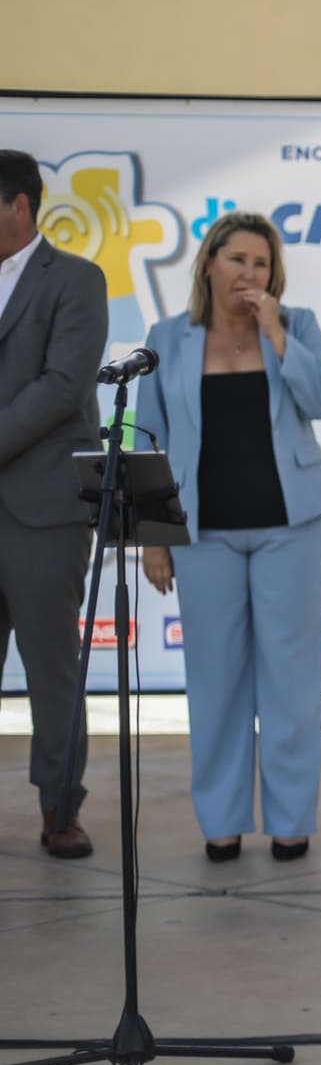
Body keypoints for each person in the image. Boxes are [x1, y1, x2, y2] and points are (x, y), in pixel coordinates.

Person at [135, 212, 321, 862]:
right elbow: (148, 439)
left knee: (291, 681)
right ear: (209, 265)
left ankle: (290, 821)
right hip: (205, 535)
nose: (250, 273)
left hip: (291, 529)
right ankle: (221, 822)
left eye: (262, 263)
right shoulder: (167, 337)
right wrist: (154, 537)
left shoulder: (296, 326)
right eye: (238, 259)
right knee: (215, 682)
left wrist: (276, 333)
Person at [0, 149, 107, 860]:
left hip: (43, 506)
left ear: (19, 205)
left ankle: (59, 809)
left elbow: (64, 386)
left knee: (52, 671)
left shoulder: (76, 279)